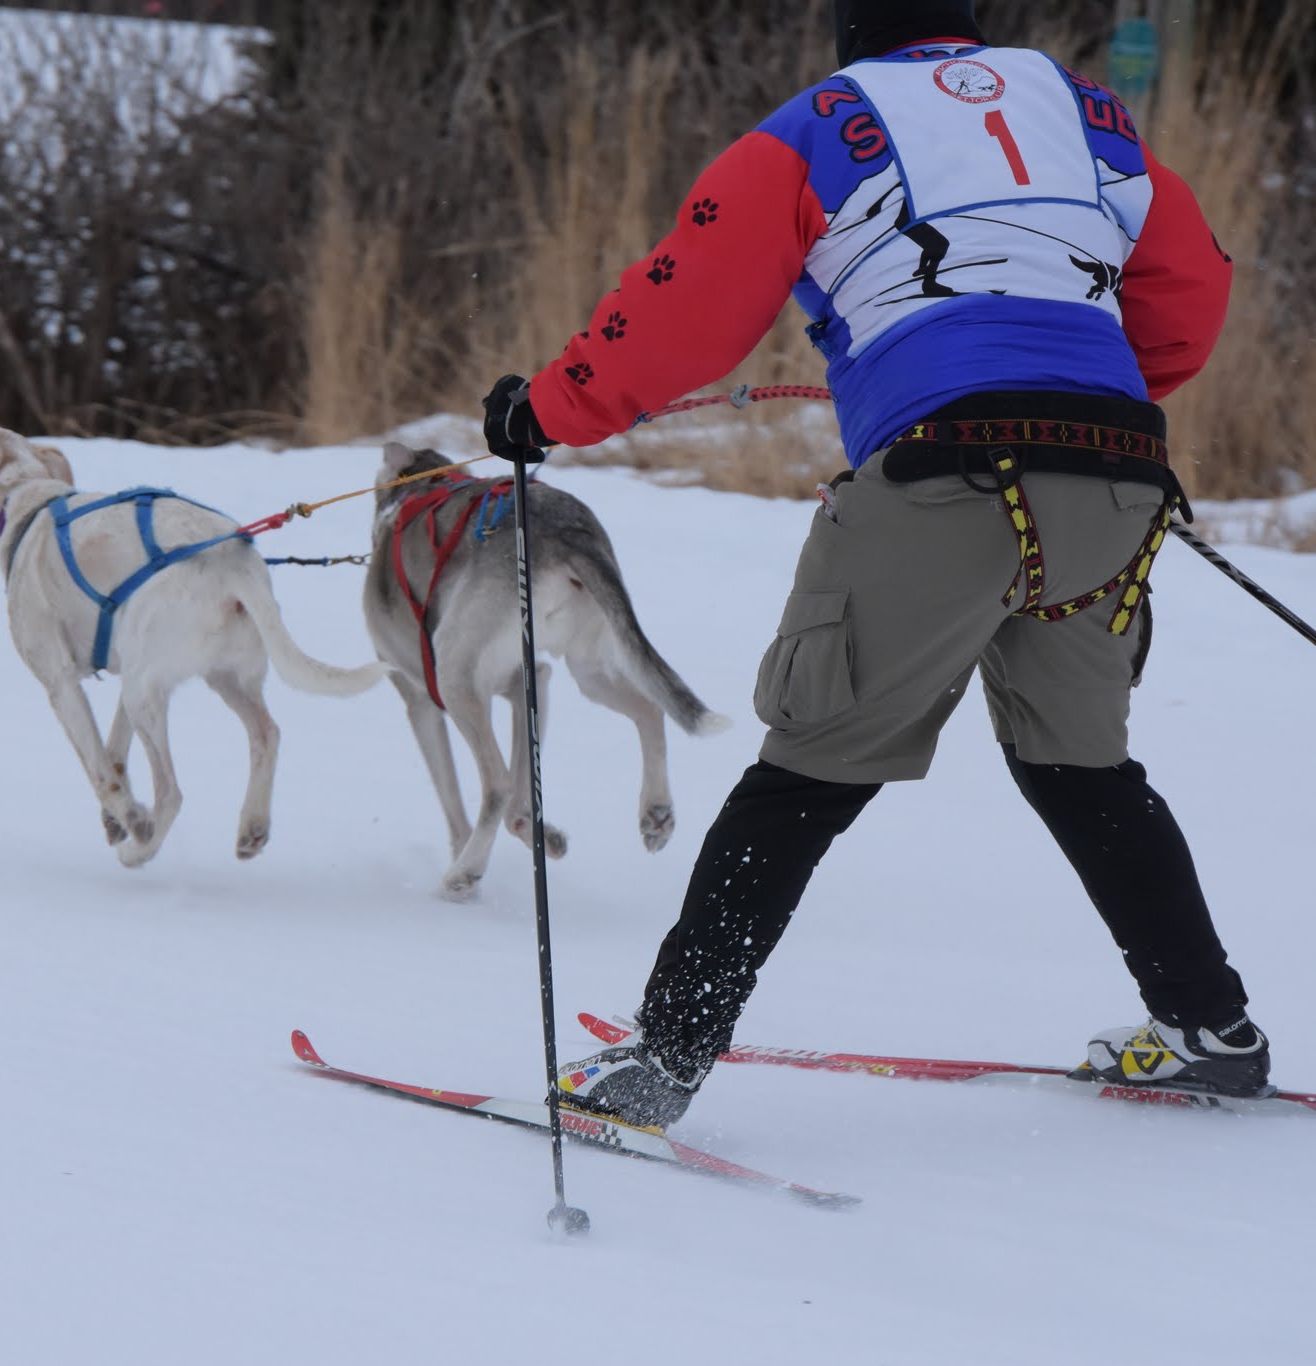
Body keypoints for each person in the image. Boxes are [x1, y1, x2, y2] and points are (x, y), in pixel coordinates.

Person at [481, 0, 1271, 1129]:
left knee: (805, 770)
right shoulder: (1080, 110)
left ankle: (659, 1060)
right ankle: (1209, 1028)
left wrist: (548, 406)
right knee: (1082, 767)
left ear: (851, 33)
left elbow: (688, 299)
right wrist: (1078, 404)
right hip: (1111, 470)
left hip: (949, 469)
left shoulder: (821, 121)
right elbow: (1187, 287)